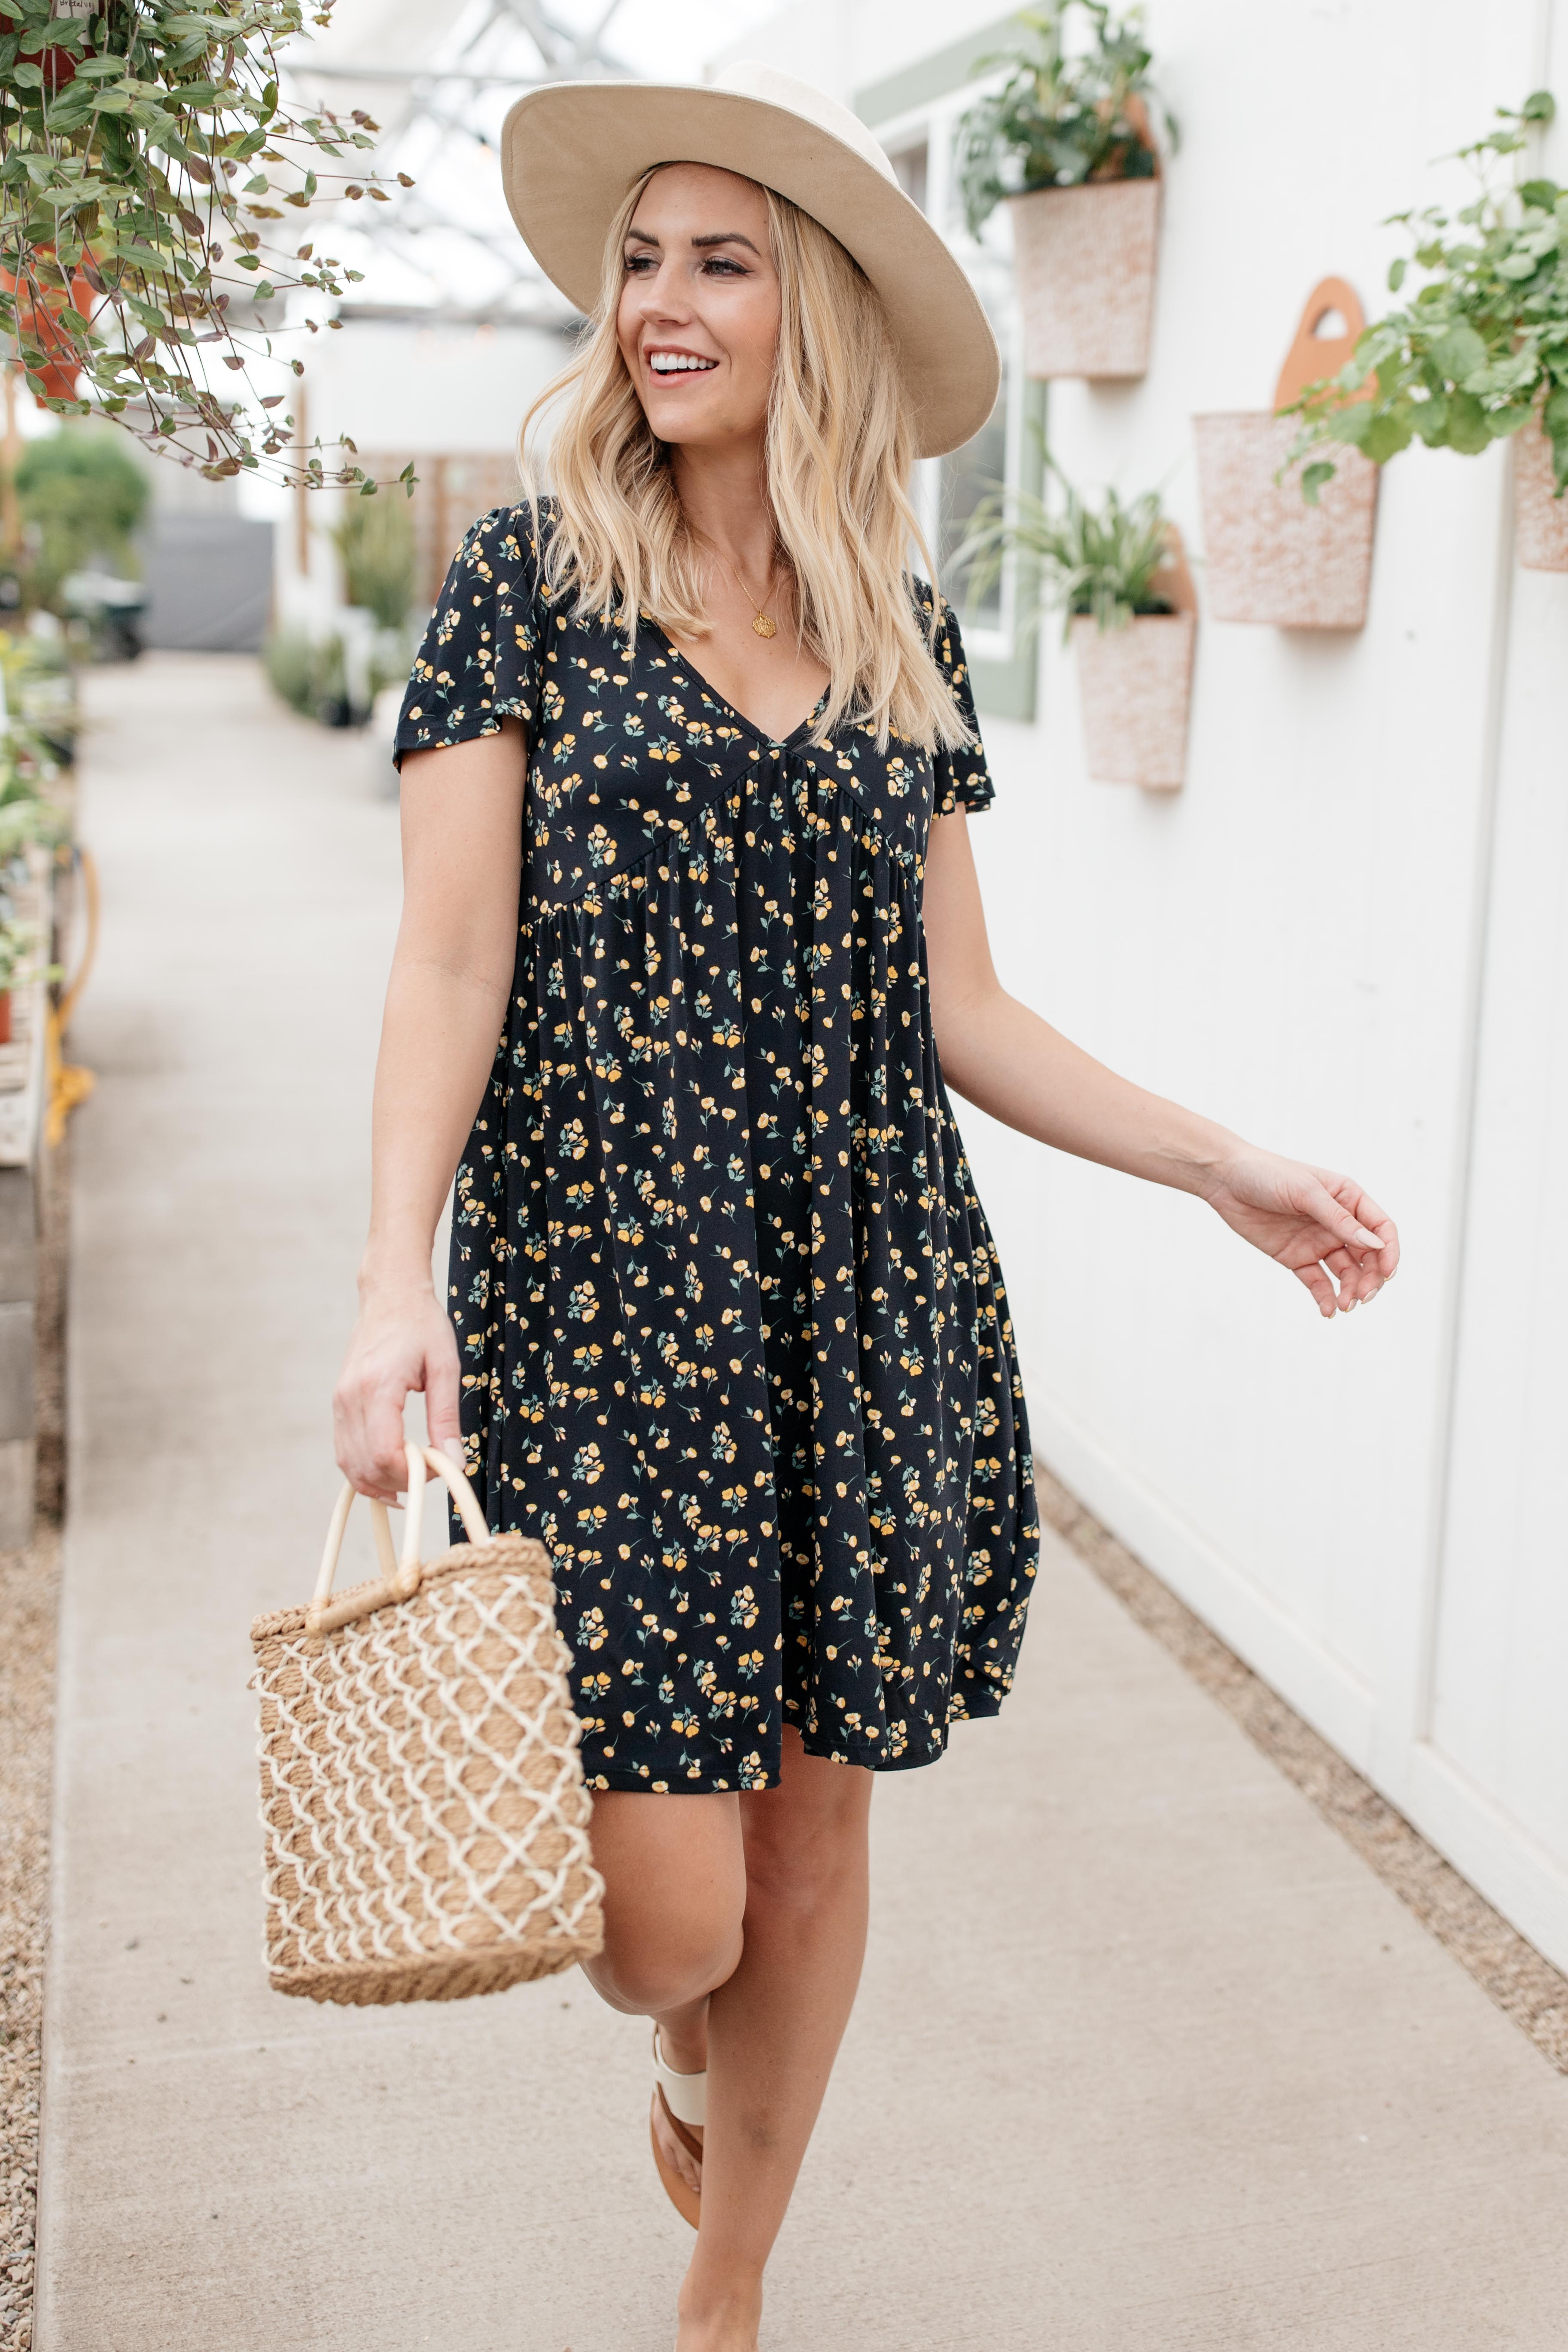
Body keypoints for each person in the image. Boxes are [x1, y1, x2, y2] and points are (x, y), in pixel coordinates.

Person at [331, 62, 1399, 2352]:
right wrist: (384, 1280)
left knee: (817, 1828)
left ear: (808, 307)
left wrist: (1219, 1155)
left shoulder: (887, 614)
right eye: (640, 260)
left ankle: (721, 2297)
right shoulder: (524, 579)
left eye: (719, 261)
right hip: (602, 1297)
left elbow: (961, 1005)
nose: (662, 306)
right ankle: (687, 2053)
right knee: (663, 1917)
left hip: (860, 1291)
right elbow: (443, 956)